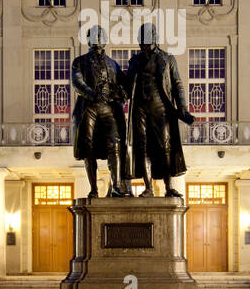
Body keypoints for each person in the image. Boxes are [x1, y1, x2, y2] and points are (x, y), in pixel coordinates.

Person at [122, 21, 194, 197]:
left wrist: (182, 106)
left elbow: (177, 84)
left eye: (148, 36)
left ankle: (169, 187)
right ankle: (148, 187)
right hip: (140, 108)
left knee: (165, 147)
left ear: (154, 38)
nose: (145, 41)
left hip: (161, 108)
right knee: (142, 147)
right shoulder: (135, 61)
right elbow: (126, 86)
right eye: (142, 37)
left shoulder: (167, 59)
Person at [71, 26, 132, 197]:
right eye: (95, 37)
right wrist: (94, 94)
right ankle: (93, 189)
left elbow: (124, 85)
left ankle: (117, 186)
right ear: (89, 40)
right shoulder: (80, 61)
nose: (98, 39)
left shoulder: (113, 64)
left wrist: (121, 92)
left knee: (115, 144)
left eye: (101, 36)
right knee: (88, 147)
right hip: (89, 107)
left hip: (109, 108)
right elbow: (77, 82)